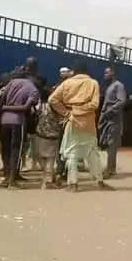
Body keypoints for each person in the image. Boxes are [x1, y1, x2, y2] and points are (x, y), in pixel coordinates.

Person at [49, 60, 112, 192]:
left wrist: (68, 113)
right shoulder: (93, 83)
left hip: (72, 122)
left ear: (74, 71)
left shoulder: (67, 83)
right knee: (92, 152)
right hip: (88, 123)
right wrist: (81, 110)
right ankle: (99, 182)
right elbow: (95, 104)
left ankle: (73, 185)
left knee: (72, 153)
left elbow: (52, 100)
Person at [0, 70, 40, 188]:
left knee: (5, 150)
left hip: (4, 121)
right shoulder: (32, 88)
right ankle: (12, 180)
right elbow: (26, 107)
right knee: (16, 150)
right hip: (18, 122)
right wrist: (12, 107)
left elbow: (1, 102)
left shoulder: (10, 83)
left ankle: (6, 178)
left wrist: (5, 108)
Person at [98, 66, 127, 178]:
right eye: (105, 73)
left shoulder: (118, 86)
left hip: (113, 119)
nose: (105, 75)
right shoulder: (109, 86)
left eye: (107, 73)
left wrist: (110, 110)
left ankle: (110, 169)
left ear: (113, 73)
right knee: (107, 142)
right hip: (107, 118)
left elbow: (122, 101)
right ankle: (110, 167)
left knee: (112, 144)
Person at [34, 89, 63, 189]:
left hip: (41, 135)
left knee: (40, 157)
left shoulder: (40, 107)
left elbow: (34, 115)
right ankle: (50, 178)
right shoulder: (56, 107)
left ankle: (48, 178)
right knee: (50, 159)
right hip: (53, 136)